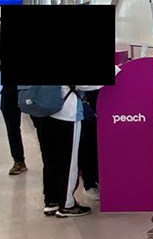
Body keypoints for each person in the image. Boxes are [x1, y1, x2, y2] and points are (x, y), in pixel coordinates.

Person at [36, 84, 103, 217]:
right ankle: (67, 204)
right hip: (66, 113)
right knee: (69, 161)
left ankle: (52, 201)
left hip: (43, 111)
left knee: (50, 160)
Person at [0, 38, 28, 175]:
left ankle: (50, 161)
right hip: (9, 90)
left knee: (41, 124)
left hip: (31, 91)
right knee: (12, 126)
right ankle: (18, 160)